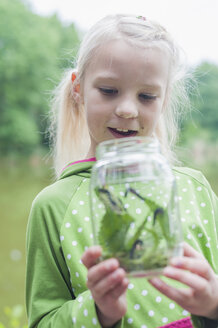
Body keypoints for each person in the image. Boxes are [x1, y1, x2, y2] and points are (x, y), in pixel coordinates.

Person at [26, 14, 218, 328]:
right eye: (109, 91)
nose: (127, 109)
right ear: (79, 89)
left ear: (164, 99)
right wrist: (99, 311)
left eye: (146, 96)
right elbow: (43, 321)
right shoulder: (52, 206)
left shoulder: (195, 188)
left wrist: (213, 302)